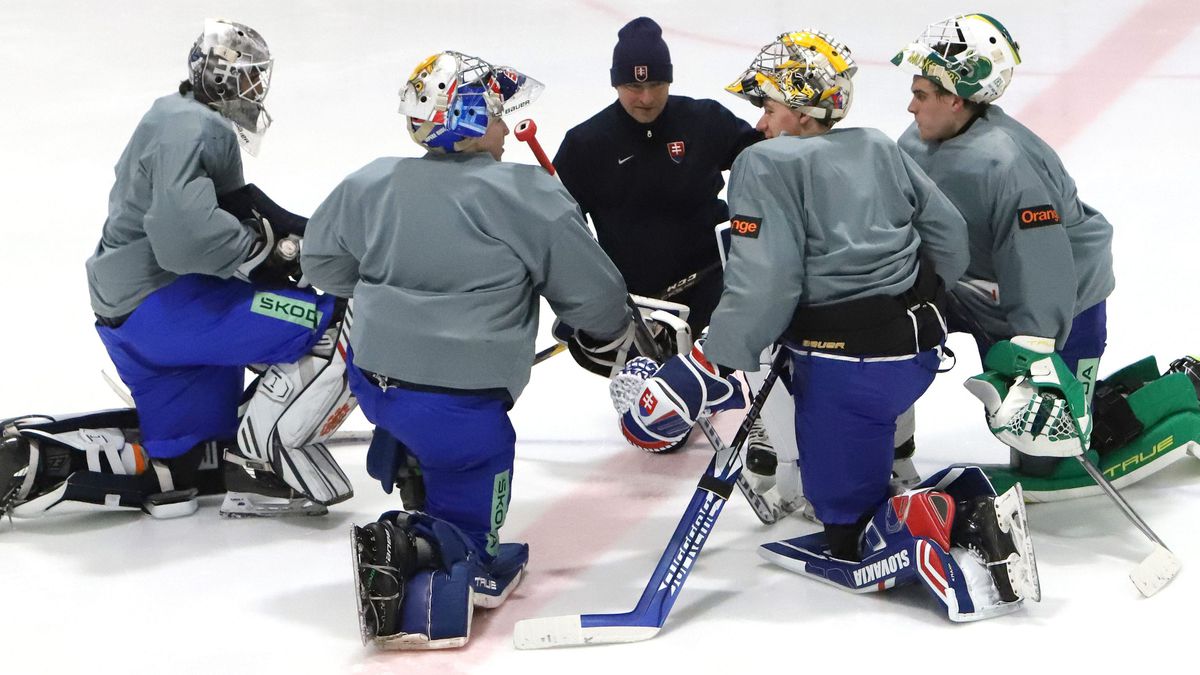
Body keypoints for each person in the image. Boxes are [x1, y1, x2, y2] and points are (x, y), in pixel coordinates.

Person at [618, 31, 1040, 620]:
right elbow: (948, 236)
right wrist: (917, 293)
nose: (760, 125)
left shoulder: (762, 164)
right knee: (868, 436)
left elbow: (765, 282)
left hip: (846, 370)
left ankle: (936, 524)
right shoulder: (875, 145)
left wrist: (713, 361)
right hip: (917, 354)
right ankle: (902, 484)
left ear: (798, 107)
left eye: (767, 108)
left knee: (841, 517)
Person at [301, 51, 634, 649]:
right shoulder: (526, 194)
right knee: (476, 474)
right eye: (500, 116)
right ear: (473, 120)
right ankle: (426, 557)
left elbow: (323, 262)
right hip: (462, 406)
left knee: (424, 423)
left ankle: (410, 459)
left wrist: (397, 297)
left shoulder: (371, 181)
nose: (508, 129)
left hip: (373, 381)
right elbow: (599, 305)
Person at [2, 19, 357, 520]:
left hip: (127, 316)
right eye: (249, 77)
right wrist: (263, 249)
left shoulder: (171, 115)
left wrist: (261, 246)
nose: (255, 89)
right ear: (220, 78)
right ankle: (260, 468)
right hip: (167, 305)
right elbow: (184, 236)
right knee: (338, 325)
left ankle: (111, 462)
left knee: (185, 456)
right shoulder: (196, 125)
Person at [893, 12, 1116, 474]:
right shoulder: (913, 143)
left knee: (1044, 456)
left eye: (920, 94)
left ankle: (1117, 413)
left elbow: (1041, 265)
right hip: (972, 287)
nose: (910, 108)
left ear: (956, 99)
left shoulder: (1008, 165)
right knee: (888, 347)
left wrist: (1037, 347)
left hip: (1060, 305)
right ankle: (893, 456)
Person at [554, 16, 762, 336]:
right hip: (638, 307)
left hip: (720, 290)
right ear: (615, 84)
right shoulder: (586, 144)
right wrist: (582, 300)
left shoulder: (705, 119)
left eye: (656, 85)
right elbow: (558, 231)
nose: (647, 99)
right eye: (634, 86)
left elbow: (766, 166)